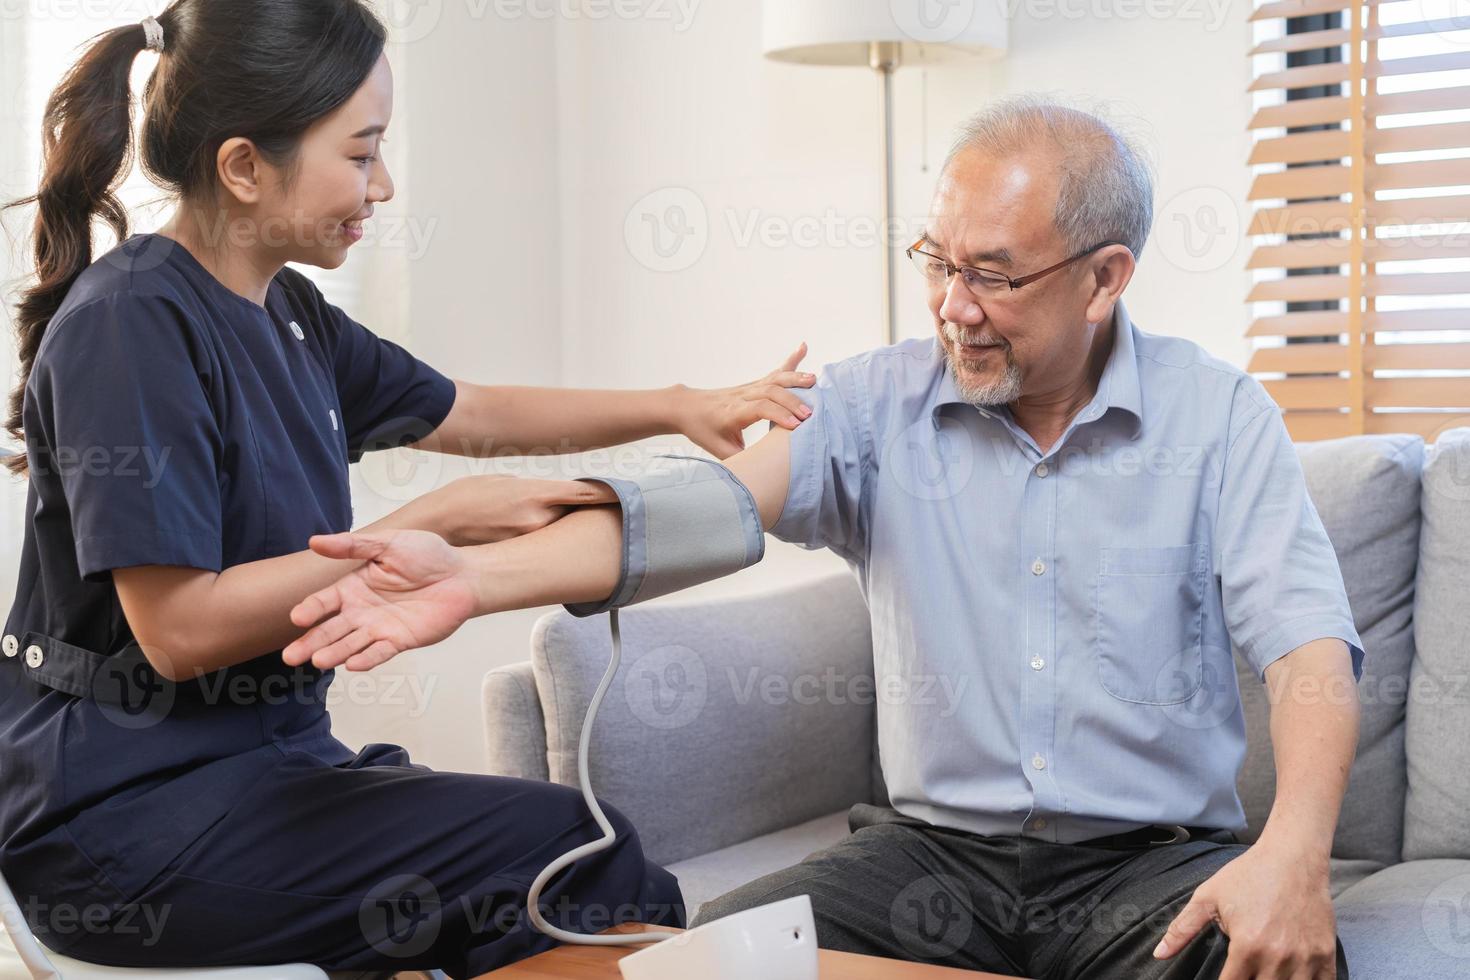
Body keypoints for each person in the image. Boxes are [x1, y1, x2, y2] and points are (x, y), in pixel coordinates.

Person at [282, 99, 1364, 979]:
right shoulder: (874, 403)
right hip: (930, 856)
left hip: (1149, 871)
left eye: (991, 273)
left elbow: (1307, 646)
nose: (953, 305)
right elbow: (699, 509)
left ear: (1105, 277)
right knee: (687, 968)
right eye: (935, 261)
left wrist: (1295, 852)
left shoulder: (1217, 415)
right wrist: (472, 580)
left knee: (1272, 963)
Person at [0, 2, 816, 975]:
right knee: (579, 860)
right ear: (243, 165)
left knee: (551, 875)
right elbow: (179, 630)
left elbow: (468, 409)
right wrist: (422, 524)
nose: (382, 186)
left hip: (266, 772)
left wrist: (682, 404)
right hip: (123, 818)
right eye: (361, 152)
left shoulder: (289, 312)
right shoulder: (132, 324)